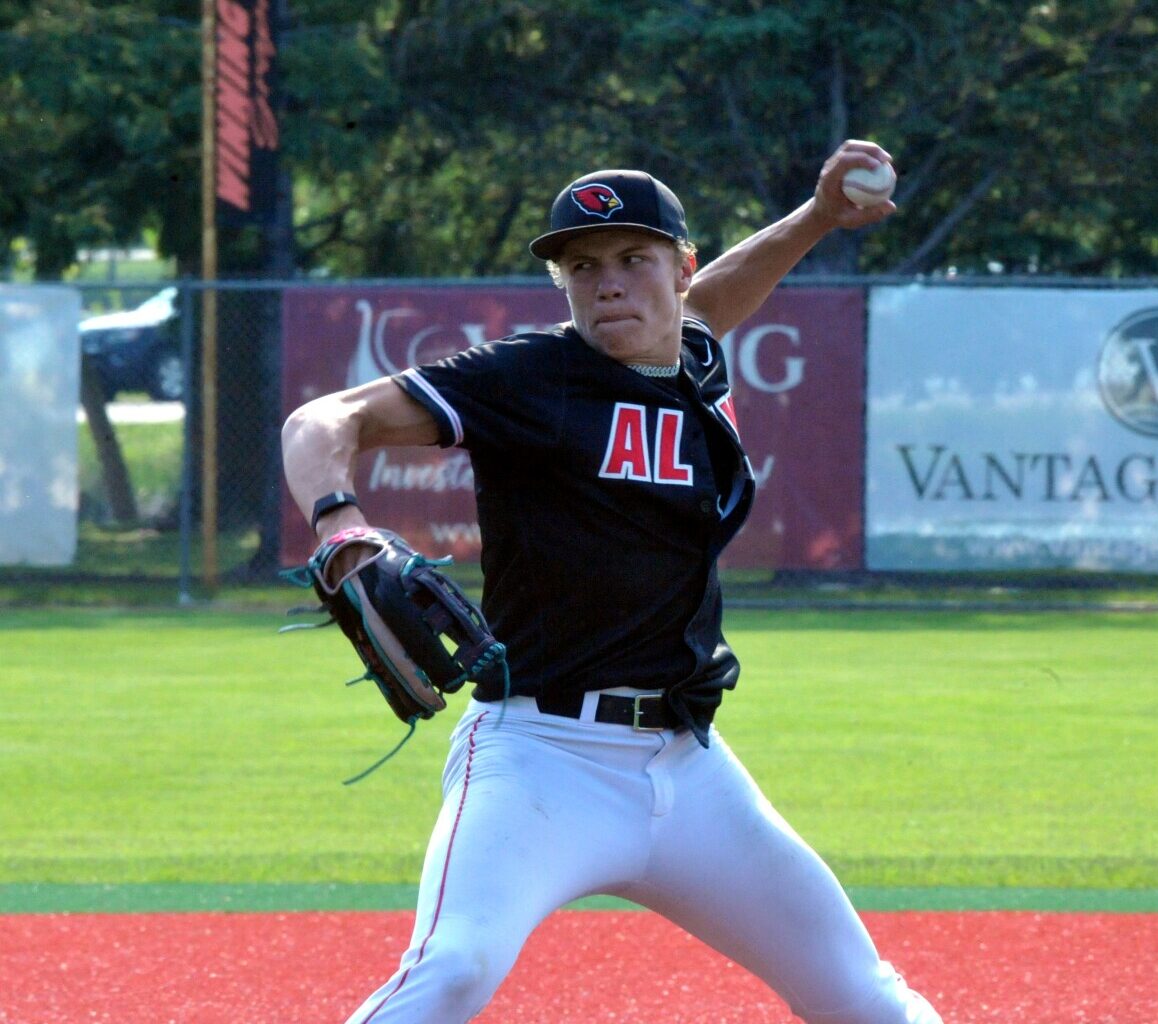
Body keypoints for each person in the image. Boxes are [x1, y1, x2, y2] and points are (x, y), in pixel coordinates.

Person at [282, 140, 942, 1024]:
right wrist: (340, 521)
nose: (609, 284)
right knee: (454, 967)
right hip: (541, 758)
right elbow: (326, 417)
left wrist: (820, 216)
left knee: (868, 1000)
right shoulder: (531, 378)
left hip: (691, 767)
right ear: (562, 284)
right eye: (583, 267)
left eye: (635, 260)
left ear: (679, 268)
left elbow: (713, 304)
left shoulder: (689, 356)